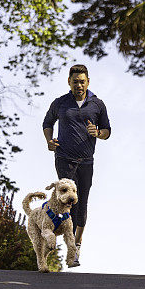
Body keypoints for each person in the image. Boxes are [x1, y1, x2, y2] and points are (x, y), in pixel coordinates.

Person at [42, 64, 111, 266]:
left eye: (82, 81)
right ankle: (54, 241)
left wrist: (97, 133)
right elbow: (47, 122)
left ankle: (76, 245)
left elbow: (107, 131)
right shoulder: (61, 103)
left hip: (86, 162)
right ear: (69, 83)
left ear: (88, 82)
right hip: (64, 159)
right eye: (75, 81)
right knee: (65, 202)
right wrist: (49, 140)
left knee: (81, 203)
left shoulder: (97, 104)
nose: (78, 85)